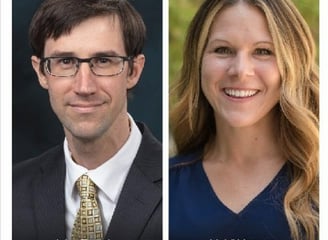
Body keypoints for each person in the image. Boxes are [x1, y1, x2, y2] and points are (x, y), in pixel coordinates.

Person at [169, 0, 319, 240]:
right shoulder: (163, 186)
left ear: (292, 65)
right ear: (198, 62)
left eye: (263, 51)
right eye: (223, 50)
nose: (240, 70)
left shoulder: (318, 185)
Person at [13, 0, 162, 239]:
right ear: (41, 72)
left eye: (103, 61)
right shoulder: (11, 192)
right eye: (65, 61)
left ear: (134, 71)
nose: (84, 86)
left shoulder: (178, 185)